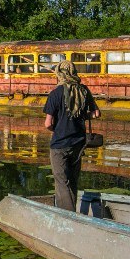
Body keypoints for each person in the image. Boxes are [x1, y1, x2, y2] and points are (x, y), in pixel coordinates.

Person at [43, 60, 100, 211]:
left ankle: (68, 216)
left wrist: (58, 129)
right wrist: (80, 115)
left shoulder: (55, 94)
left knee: (61, 182)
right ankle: (69, 212)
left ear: (59, 74)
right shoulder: (84, 90)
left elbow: (48, 123)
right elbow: (96, 114)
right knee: (73, 181)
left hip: (59, 144)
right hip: (79, 144)